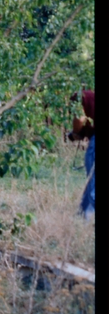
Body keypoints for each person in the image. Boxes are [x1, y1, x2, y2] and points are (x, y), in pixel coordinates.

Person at [68, 89, 95, 219]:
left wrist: (76, 132)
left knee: (93, 181)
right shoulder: (91, 97)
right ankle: (81, 217)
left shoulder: (79, 97)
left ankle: (85, 219)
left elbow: (79, 118)